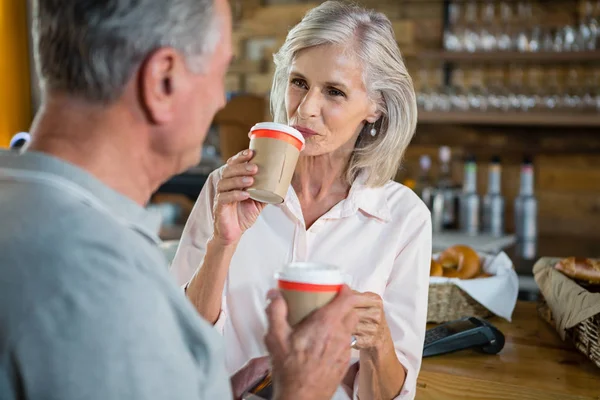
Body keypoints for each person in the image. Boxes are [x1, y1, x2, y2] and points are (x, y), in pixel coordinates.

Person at [0, 1, 358, 399]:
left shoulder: (22, 206)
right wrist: (301, 392)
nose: (221, 101)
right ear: (163, 80)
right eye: (220, 73)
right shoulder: (96, 274)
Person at [172, 1, 432, 399]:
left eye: (334, 91)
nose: (306, 108)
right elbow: (177, 340)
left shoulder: (403, 218)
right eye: (299, 82)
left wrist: (379, 341)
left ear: (375, 108)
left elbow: (393, 395)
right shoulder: (226, 189)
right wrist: (222, 244)